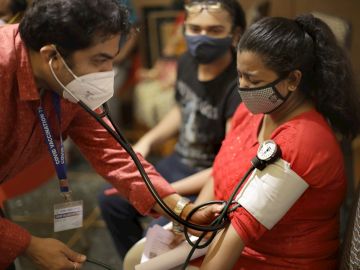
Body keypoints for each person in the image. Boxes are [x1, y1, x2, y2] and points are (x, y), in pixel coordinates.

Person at [124, 14, 360, 269]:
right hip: (225, 234)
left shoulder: (301, 142)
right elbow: (220, 172)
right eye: (240, 76)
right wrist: (191, 224)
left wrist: (190, 245)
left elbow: (238, 233)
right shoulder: (252, 112)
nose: (243, 88)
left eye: (255, 80)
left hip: (272, 260)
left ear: (293, 80)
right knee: (137, 258)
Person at [0, 0, 222, 269]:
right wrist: (29, 245)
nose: (107, 74)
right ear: (52, 56)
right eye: (99, 61)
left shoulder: (64, 78)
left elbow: (113, 152)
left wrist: (182, 210)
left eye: (111, 60)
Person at [97, 0, 246, 259]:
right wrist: (148, 140)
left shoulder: (239, 85)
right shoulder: (187, 61)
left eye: (214, 30)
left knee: (158, 241)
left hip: (209, 177)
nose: (202, 37)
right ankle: (132, 263)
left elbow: (228, 165)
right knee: (111, 201)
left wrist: (163, 193)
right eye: (195, 28)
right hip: (177, 161)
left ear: (235, 34)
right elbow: (183, 109)